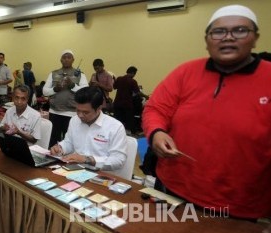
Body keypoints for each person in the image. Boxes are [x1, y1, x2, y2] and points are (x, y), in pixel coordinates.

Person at [142, 5, 271, 220]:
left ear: (255, 38)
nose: (228, 38)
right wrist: (156, 132)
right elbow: (156, 108)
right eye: (218, 32)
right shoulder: (186, 72)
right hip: (173, 189)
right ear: (207, 40)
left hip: (237, 207)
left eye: (240, 30)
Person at [50, 86, 127, 172]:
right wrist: (60, 148)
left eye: (85, 112)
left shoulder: (115, 127)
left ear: (98, 109)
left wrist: (88, 160)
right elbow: (69, 143)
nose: (80, 115)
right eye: (78, 110)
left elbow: (118, 160)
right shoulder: (74, 120)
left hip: (101, 174)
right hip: (74, 170)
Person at [43, 49, 88, 148]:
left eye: (69, 57)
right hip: (54, 112)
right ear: (61, 60)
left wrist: (73, 86)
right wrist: (55, 89)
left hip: (72, 113)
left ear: (73, 60)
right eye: (64, 57)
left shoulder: (80, 74)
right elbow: (45, 91)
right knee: (53, 140)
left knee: (70, 141)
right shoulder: (53, 73)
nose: (66, 59)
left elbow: (86, 92)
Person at [112, 66, 142, 134]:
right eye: (134, 74)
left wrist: (114, 80)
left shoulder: (119, 79)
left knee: (118, 121)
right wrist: (146, 97)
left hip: (117, 103)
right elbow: (137, 93)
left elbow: (114, 87)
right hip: (127, 104)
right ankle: (129, 133)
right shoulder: (132, 81)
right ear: (132, 73)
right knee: (128, 121)